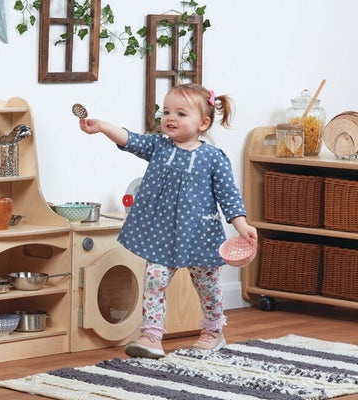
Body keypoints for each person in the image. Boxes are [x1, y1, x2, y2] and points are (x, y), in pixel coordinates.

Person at [79, 83, 257, 358]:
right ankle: (151, 335)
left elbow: (229, 196)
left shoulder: (213, 158)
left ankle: (213, 331)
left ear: (203, 123)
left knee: (207, 285)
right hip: (162, 234)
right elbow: (129, 139)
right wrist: (102, 126)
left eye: (181, 114)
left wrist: (241, 225)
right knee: (154, 278)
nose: (170, 118)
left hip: (201, 235)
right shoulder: (159, 146)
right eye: (166, 111)